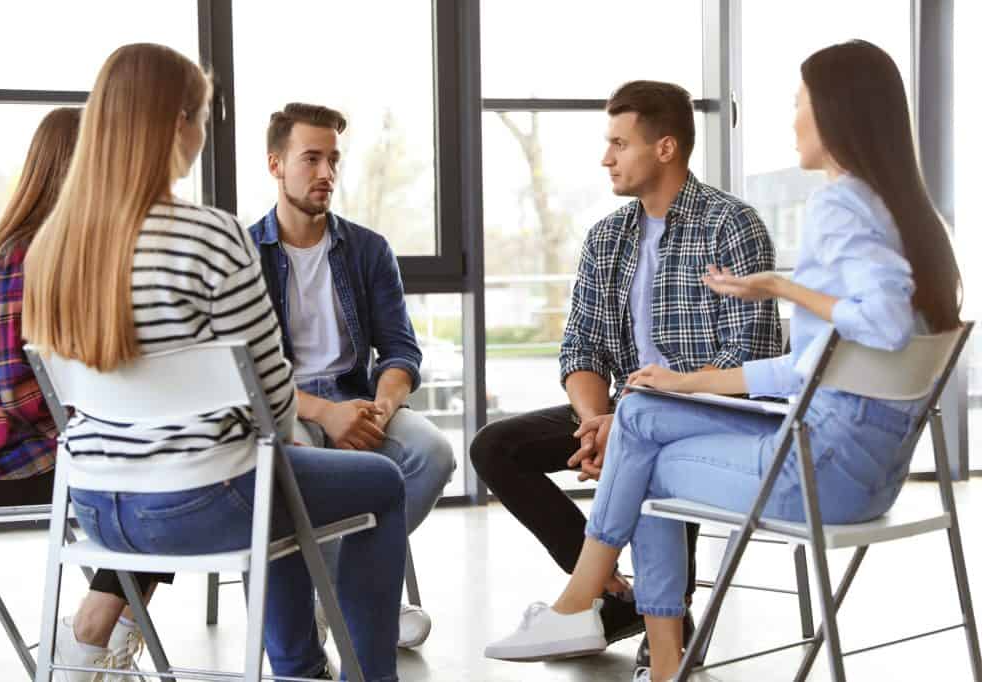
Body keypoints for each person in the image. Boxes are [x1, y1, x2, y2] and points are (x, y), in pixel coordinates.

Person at [486, 40, 961, 682]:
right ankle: (631, 630)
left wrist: (780, 289)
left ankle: (604, 615)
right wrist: (613, 411)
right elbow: (583, 345)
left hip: (820, 471)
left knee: (643, 445)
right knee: (623, 422)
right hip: (872, 471)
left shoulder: (823, 209)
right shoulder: (908, 216)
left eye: (800, 103)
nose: (792, 118)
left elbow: (819, 347)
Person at [23, 44, 406, 682]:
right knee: (365, 480)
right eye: (202, 118)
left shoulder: (55, 244)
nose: (204, 133)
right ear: (178, 125)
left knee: (278, 475)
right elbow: (272, 400)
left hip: (93, 509)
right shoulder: (211, 236)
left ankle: (300, 671)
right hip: (200, 503)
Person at [470, 80, 780, 645]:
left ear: (664, 148)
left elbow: (748, 355)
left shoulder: (731, 226)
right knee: (495, 446)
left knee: (654, 442)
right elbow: (582, 346)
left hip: (711, 408)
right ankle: (617, 594)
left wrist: (636, 417)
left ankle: (667, 619)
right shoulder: (606, 237)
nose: (606, 157)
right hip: (624, 408)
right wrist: (595, 421)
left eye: (619, 143)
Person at [0, 106, 174, 679]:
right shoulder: (16, 258)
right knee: (159, 474)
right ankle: (90, 639)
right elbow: (20, 393)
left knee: (176, 464)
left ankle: (100, 639)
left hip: (46, 434)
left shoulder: (75, 252)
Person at [249, 102, 455, 648]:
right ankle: (357, 601)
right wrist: (325, 414)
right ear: (276, 164)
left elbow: (400, 351)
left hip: (358, 397)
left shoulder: (367, 250)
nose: (326, 174)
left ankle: (341, 592)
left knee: (433, 454)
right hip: (288, 406)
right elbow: (246, 371)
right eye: (311, 158)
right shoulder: (246, 254)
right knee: (290, 471)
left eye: (333, 160)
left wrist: (380, 409)